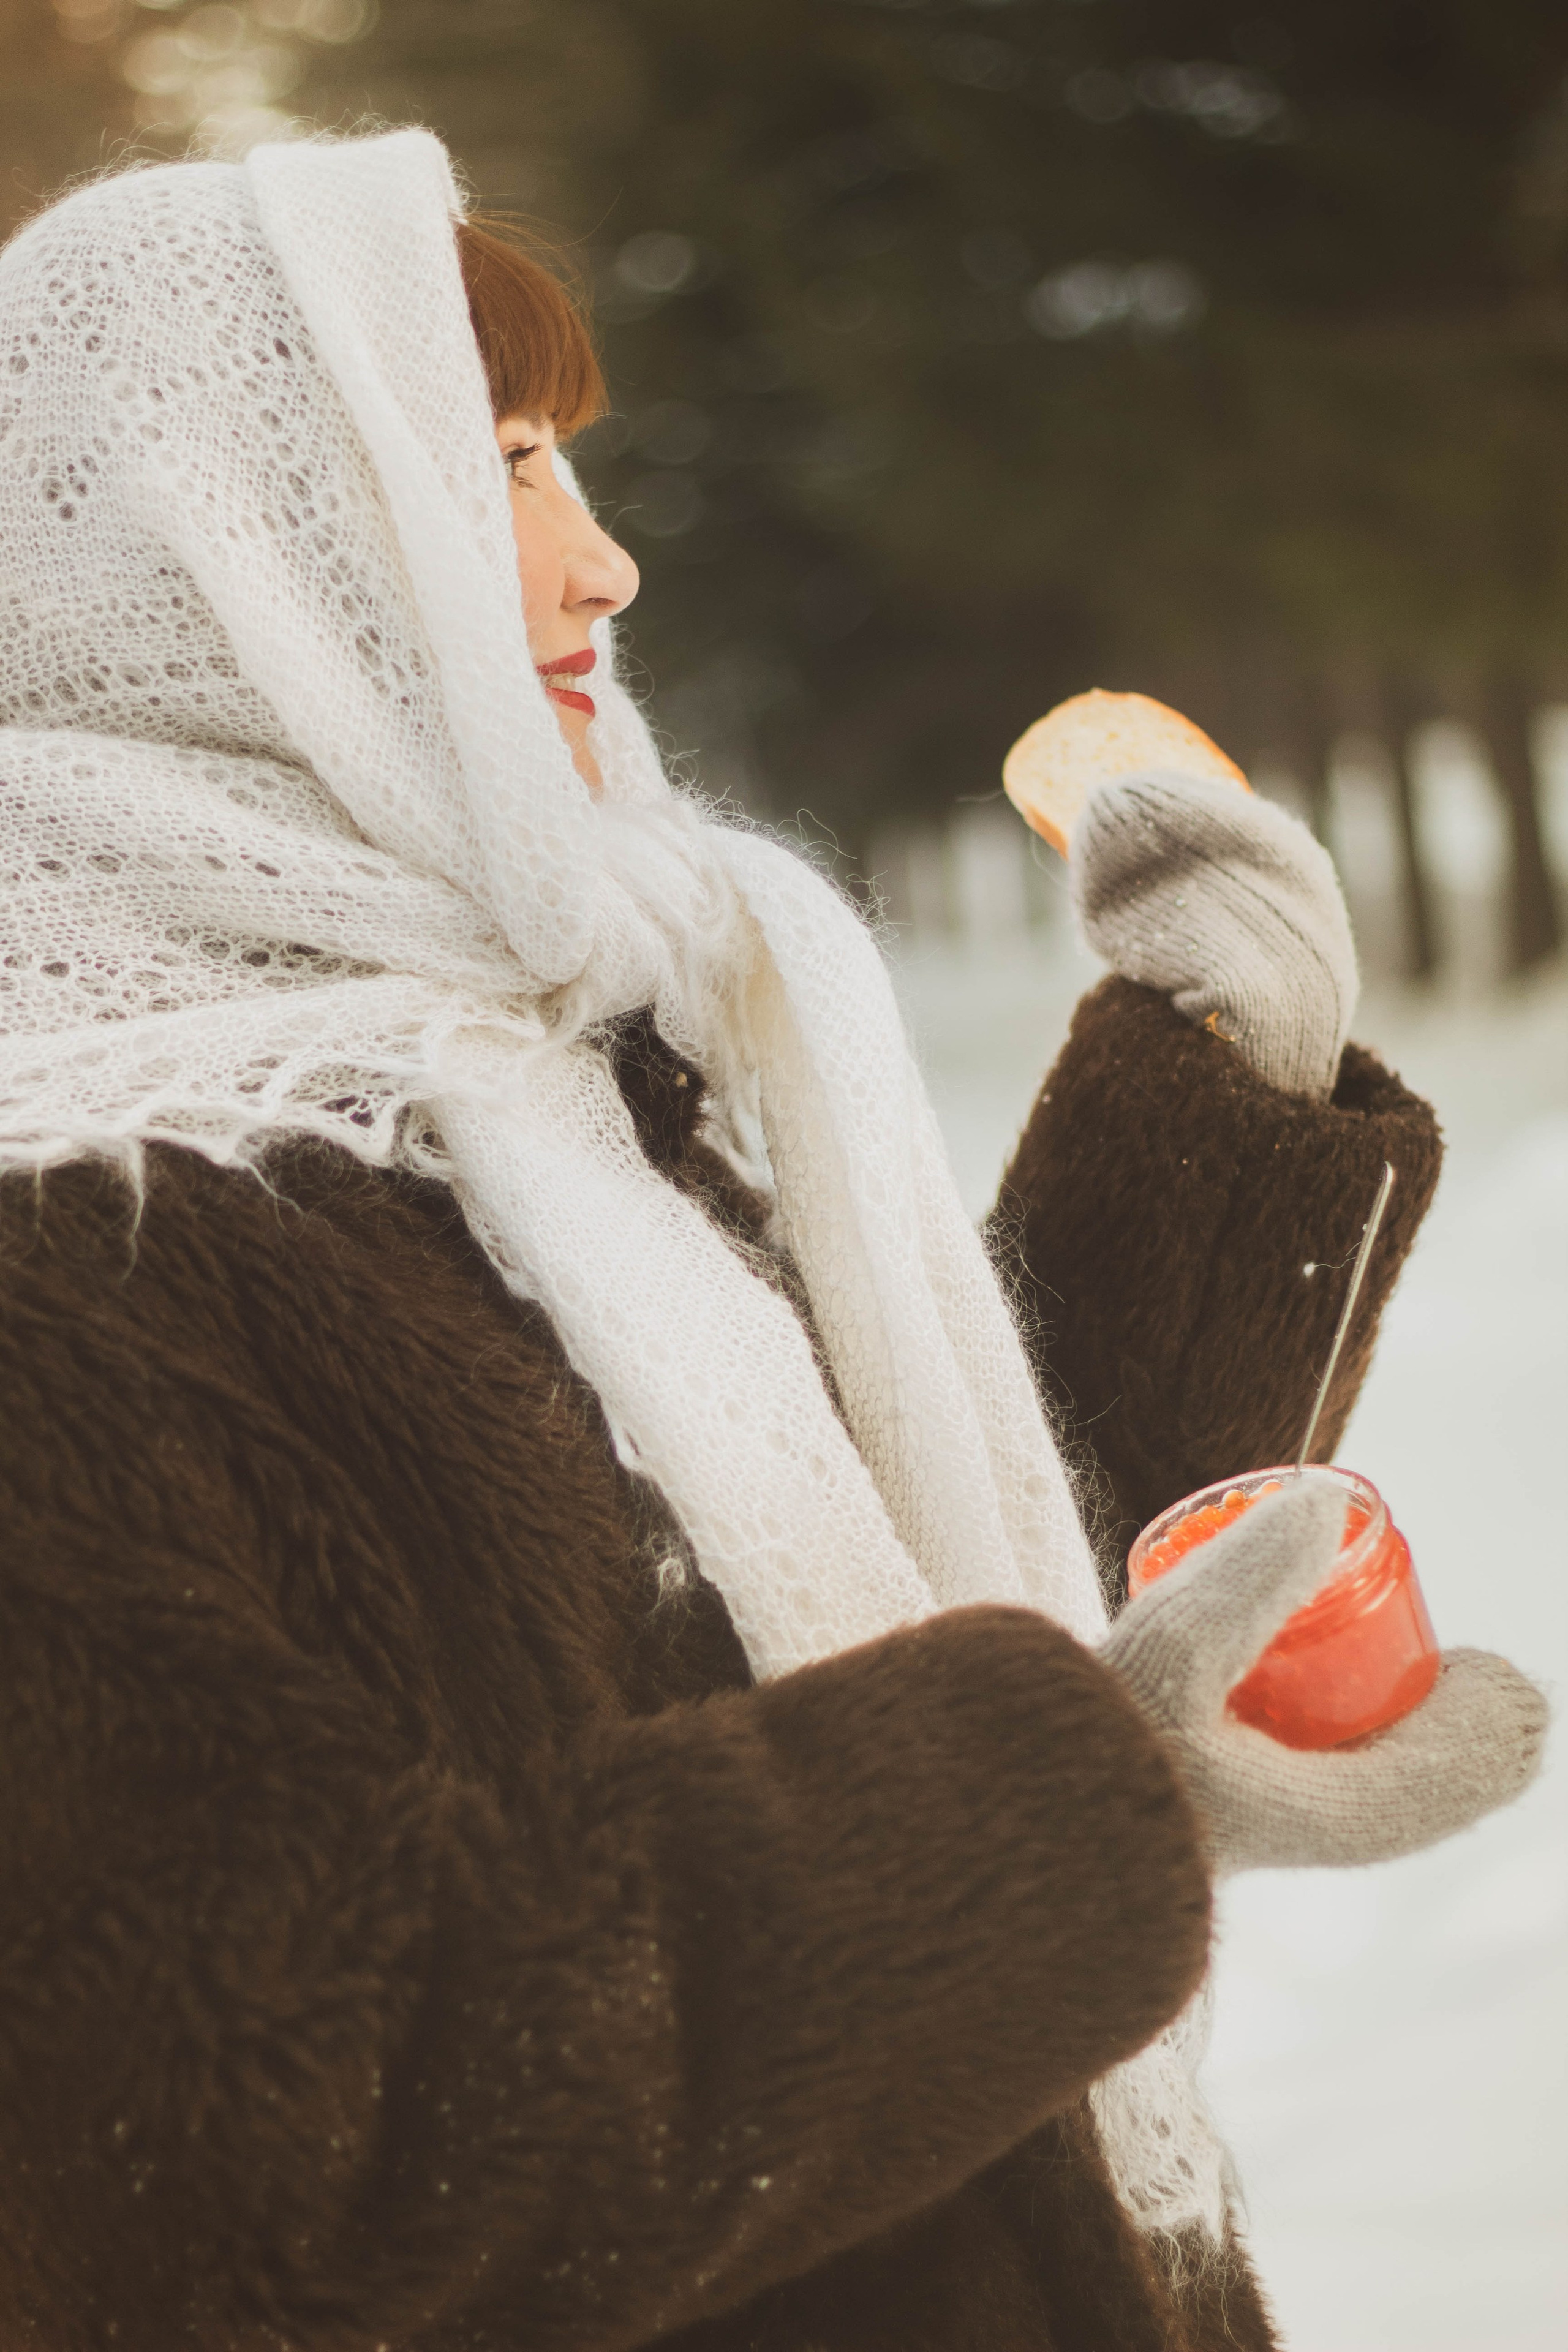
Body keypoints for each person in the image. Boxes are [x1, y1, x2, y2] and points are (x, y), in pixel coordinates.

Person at [0, 129, 1542, 2352]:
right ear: (219, 564)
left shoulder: (519, 1078)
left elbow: (874, 1603)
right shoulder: (77, 1258)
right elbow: (246, 2151)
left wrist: (1229, 1089)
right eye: (493, 469)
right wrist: (1060, 1815)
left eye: (570, 463)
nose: (602, 564)